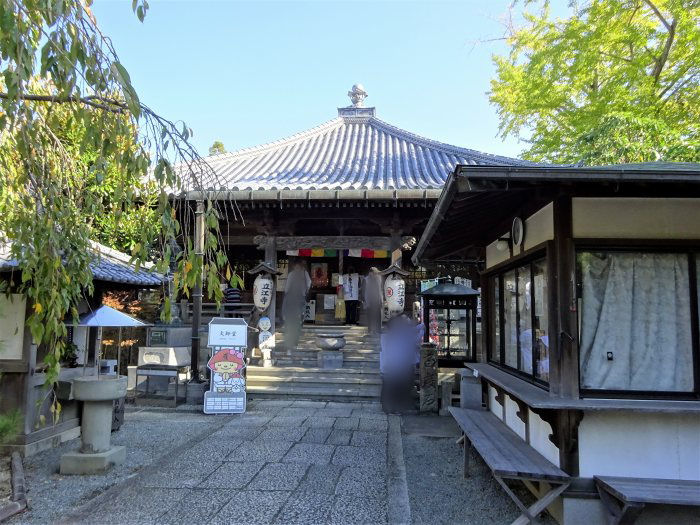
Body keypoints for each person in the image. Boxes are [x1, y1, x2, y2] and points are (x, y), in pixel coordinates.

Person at [380, 314, 417, 414]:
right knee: (390, 387)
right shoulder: (387, 337)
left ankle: (393, 406)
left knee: (395, 386)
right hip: (390, 366)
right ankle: (388, 407)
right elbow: (387, 353)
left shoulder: (400, 336)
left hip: (397, 365)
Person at [282, 260, 311, 350]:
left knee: (291, 318)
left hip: (292, 298)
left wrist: (286, 293)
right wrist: (305, 291)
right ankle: (295, 337)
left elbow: (287, 287)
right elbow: (309, 282)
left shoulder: (292, 274)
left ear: (295, 266)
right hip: (301, 297)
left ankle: (291, 338)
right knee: (298, 317)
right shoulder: (304, 273)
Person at [363, 267, 383, 334]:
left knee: (378, 316)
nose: (375, 274)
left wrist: (382, 300)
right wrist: (365, 300)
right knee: (370, 316)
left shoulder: (379, 278)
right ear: (370, 273)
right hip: (369, 300)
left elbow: (380, 290)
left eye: (376, 273)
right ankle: (370, 329)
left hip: (378, 300)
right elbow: (363, 291)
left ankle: (378, 330)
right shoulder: (366, 279)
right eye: (374, 273)